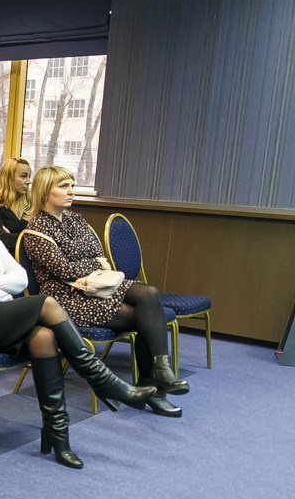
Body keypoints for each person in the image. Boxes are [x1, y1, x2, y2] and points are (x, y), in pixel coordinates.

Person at [0, 179, 159, 468]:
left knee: (44, 337)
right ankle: (102, 381)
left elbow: (20, 277)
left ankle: (57, 434)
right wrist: (1, 291)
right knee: (46, 303)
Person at [23, 167, 187, 414]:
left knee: (149, 294)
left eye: (72, 185)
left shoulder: (76, 219)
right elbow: (65, 271)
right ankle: (153, 387)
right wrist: (90, 263)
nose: (71, 191)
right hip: (66, 299)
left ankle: (161, 371)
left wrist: (86, 263)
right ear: (46, 191)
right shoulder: (36, 229)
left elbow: (99, 255)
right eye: (64, 186)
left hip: (95, 286)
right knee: (147, 318)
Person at [0, 157, 32, 253]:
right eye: (23, 176)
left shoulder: (32, 205)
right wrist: (35, 237)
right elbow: (2, 241)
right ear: (8, 178)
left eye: (29, 176)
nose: (28, 181)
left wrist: (12, 236)